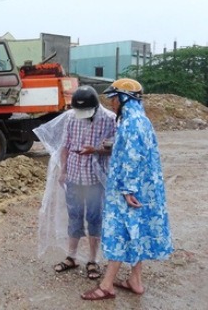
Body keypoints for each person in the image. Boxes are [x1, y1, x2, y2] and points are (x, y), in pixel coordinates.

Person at [81, 78, 174, 301]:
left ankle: (106, 285)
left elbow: (133, 157)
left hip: (129, 190)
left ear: (125, 98)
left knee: (121, 232)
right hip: (137, 188)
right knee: (134, 231)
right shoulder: (138, 119)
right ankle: (135, 280)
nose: (112, 104)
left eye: (114, 99)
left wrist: (128, 189)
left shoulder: (132, 122)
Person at [35, 85, 116, 280]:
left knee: (95, 219)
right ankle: (71, 257)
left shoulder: (110, 120)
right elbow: (65, 146)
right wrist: (63, 171)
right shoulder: (71, 117)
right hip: (74, 176)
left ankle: (93, 260)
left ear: (95, 107)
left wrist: (95, 150)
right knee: (75, 217)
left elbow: (115, 149)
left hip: (96, 179)